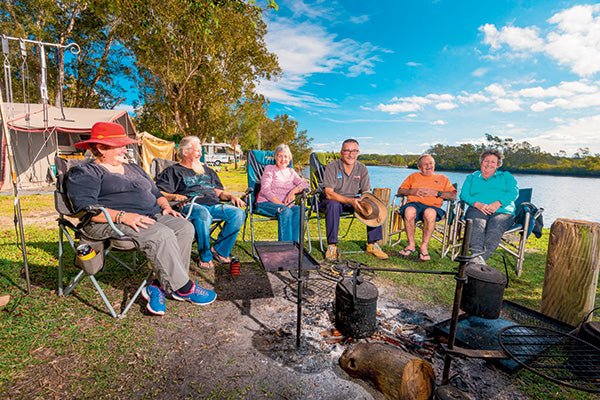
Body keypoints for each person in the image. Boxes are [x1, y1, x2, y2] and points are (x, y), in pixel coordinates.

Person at [66, 122, 216, 316]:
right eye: (119, 145)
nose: (125, 148)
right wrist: (124, 216)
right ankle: (184, 287)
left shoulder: (133, 169)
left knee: (184, 227)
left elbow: (155, 192)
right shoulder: (85, 173)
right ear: (101, 148)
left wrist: (165, 207)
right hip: (107, 221)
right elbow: (87, 209)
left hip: (149, 214)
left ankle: (157, 285)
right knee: (160, 234)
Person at [156, 136, 246, 269]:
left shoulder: (208, 170)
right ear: (185, 152)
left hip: (213, 205)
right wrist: (174, 196)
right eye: (197, 150)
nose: (201, 153)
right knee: (203, 214)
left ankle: (220, 250)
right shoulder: (172, 171)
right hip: (191, 206)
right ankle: (205, 255)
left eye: (201, 150)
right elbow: (160, 193)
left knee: (238, 213)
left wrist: (231, 196)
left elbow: (218, 192)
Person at [321, 139, 389, 261]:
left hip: (354, 200)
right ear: (341, 152)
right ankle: (332, 246)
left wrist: (365, 203)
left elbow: (366, 192)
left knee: (373, 204)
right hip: (333, 199)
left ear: (358, 152)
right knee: (333, 205)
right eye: (347, 150)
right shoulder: (332, 167)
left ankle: (372, 244)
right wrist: (350, 201)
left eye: (354, 151)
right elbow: (329, 193)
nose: (351, 154)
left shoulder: (362, 168)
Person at [460, 149, 519, 262]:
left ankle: (479, 259)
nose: (489, 164)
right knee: (477, 224)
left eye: (493, 162)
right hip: (477, 208)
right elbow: (464, 195)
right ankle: (477, 255)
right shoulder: (471, 177)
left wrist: (498, 203)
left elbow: (513, 192)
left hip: (503, 211)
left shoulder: (506, 176)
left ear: (498, 165)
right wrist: (477, 204)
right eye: (486, 161)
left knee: (495, 226)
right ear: (481, 162)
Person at [396, 154, 456, 261]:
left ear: (434, 165)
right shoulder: (413, 176)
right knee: (409, 211)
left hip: (433, 207)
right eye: (425, 164)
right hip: (414, 204)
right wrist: (412, 191)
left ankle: (424, 246)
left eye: (431, 163)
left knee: (429, 213)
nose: (429, 166)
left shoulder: (443, 178)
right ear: (419, 167)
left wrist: (437, 193)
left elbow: (453, 196)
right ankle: (411, 244)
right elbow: (400, 191)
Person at [256, 144, 308, 242]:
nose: (283, 159)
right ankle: (284, 247)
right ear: (275, 157)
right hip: (266, 202)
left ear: (289, 159)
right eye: (280, 156)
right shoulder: (269, 169)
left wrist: (292, 192)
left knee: (299, 210)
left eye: (286, 156)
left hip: (287, 205)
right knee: (285, 211)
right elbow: (265, 189)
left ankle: (295, 245)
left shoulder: (291, 171)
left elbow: (304, 184)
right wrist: (281, 204)